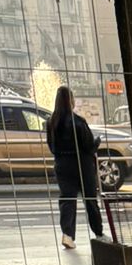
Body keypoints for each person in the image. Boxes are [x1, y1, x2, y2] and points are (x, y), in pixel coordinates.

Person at [46, 85, 102, 249]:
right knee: (90, 199)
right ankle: (98, 232)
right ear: (71, 101)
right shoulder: (78, 122)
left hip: (62, 164)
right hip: (82, 165)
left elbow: (51, 146)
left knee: (67, 200)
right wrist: (98, 141)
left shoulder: (51, 122)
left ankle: (67, 234)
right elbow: (89, 146)